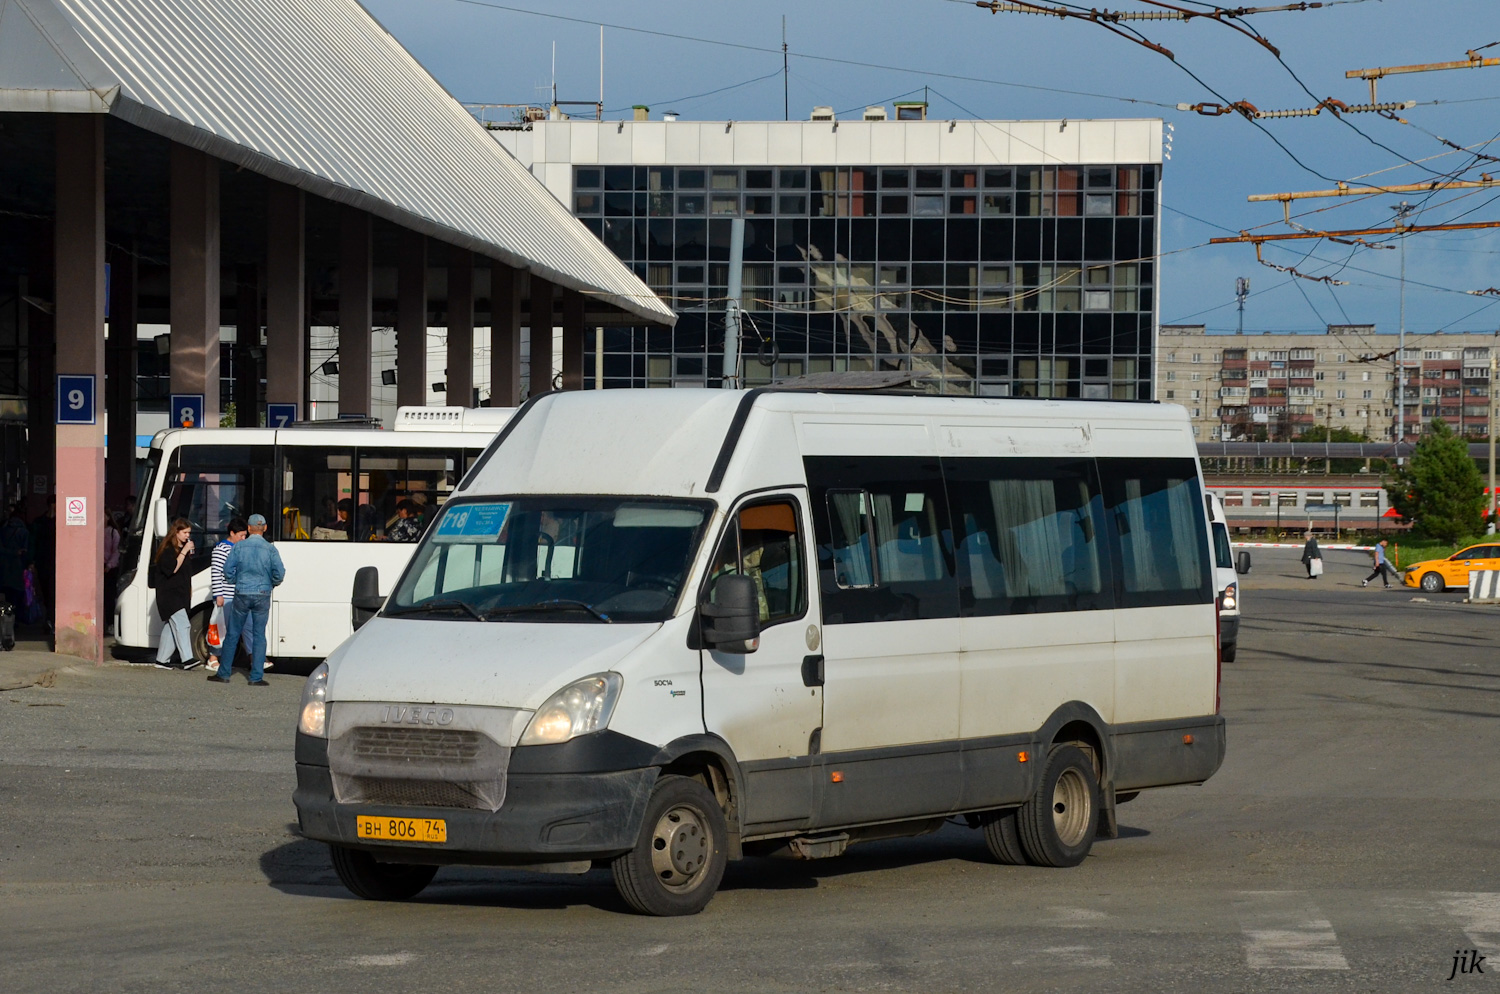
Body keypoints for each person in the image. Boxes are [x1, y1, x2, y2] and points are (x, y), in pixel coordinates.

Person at [207, 513, 284, 686]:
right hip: (262, 594)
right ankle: (256, 677)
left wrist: (237, 581)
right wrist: (270, 584)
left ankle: (224, 673)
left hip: (242, 593)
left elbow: (227, 571)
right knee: (258, 635)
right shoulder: (270, 549)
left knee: (233, 633)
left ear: (248, 528)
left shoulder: (239, 547)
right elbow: (280, 573)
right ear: (265, 528)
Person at [206, 518, 258, 674]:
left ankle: (254, 658)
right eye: (241, 535)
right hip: (226, 597)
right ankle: (213, 657)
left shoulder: (242, 549)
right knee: (224, 629)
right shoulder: (221, 549)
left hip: (241, 595)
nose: (243, 539)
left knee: (248, 626)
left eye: (245, 536)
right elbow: (216, 572)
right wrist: (218, 595)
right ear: (232, 533)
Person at [152, 517, 199, 669]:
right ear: (176, 532)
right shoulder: (167, 550)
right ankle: (187, 659)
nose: (187, 536)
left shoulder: (181, 549)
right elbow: (172, 568)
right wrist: (184, 552)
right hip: (170, 595)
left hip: (180, 594)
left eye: (189, 533)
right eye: (184, 532)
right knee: (183, 625)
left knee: (171, 628)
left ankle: (161, 660)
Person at [0, 502, 30, 612]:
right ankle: (16, 616)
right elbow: (27, 550)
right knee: (18, 592)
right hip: (18, 565)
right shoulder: (24, 531)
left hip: (4, 564)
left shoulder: (3, 529)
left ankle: (8, 614)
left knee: (7, 592)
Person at [103, 510, 123, 635]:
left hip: (109, 568)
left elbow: (116, 551)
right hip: (98, 566)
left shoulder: (112, 532)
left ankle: (111, 623)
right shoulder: (95, 531)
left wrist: (109, 565)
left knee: (109, 597)